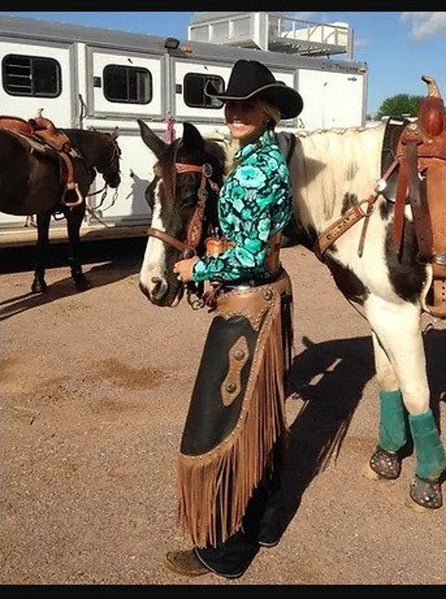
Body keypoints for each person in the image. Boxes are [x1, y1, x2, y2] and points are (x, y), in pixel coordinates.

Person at [165, 59, 303, 580]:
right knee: (259, 418)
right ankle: (266, 520)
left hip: (248, 307)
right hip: (269, 298)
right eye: (230, 104)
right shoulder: (269, 158)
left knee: (222, 425)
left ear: (266, 111)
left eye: (246, 104)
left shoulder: (251, 168)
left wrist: (196, 265)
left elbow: (245, 254)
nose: (234, 112)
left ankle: (225, 550)